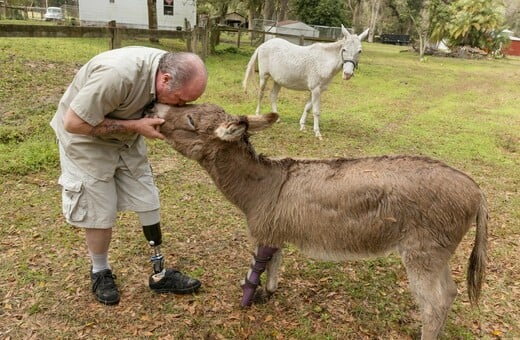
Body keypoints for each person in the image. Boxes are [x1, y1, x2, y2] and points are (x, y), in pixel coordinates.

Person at [50, 46, 208, 305]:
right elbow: (74, 123)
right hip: (85, 138)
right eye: (179, 100)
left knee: (148, 198)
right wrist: (135, 125)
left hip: (126, 136)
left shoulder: (167, 68)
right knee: (100, 209)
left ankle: (160, 274)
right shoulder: (117, 75)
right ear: (165, 79)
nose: (180, 106)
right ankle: (100, 271)